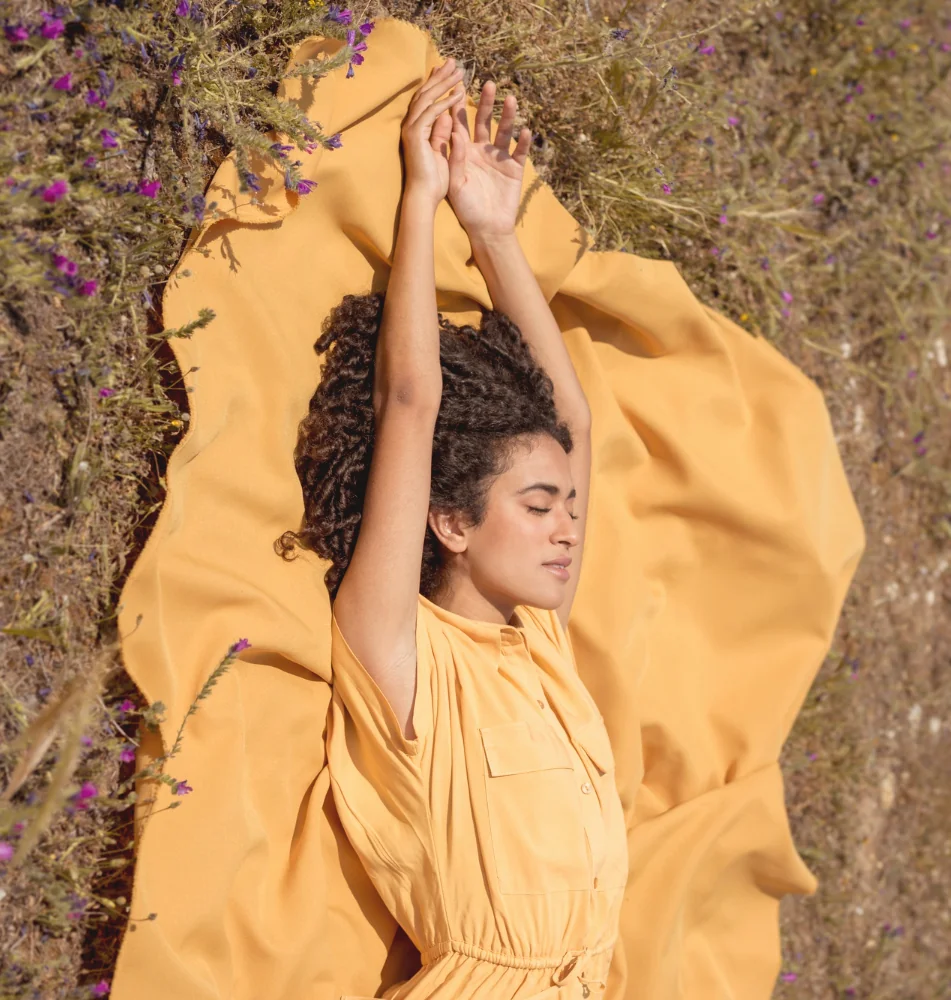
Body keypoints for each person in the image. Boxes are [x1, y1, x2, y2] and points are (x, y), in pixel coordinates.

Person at [276, 56, 625, 999]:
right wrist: (420, 204)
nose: (565, 531)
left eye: (569, 508)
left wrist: (493, 229)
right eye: (537, 507)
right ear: (450, 523)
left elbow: (574, 424)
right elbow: (409, 400)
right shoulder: (402, 650)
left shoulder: (539, 644)